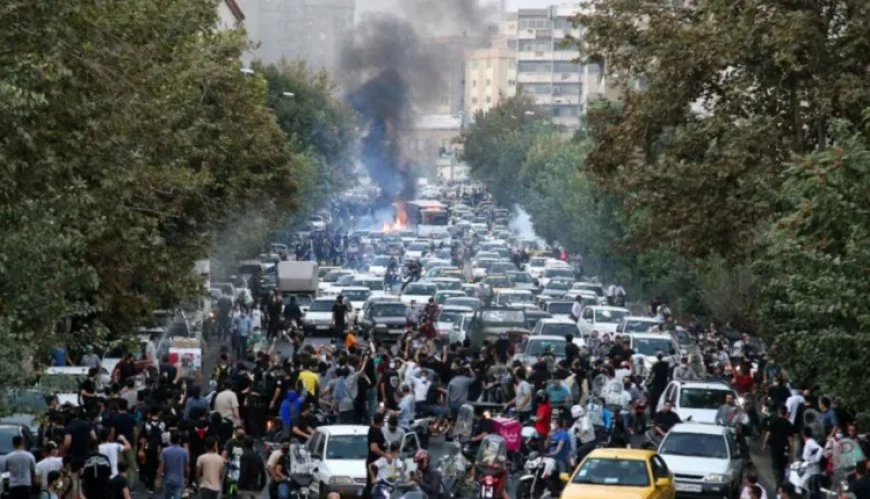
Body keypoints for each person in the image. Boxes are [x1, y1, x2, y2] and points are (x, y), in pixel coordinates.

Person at [762, 405, 794, 486]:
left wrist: (764, 444)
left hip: (774, 447)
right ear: (786, 413)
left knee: (776, 464)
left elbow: (768, 434)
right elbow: (790, 440)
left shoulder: (773, 422)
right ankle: (781, 479)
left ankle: (778, 481)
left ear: (779, 412)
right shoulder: (788, 424)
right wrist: (791, 451)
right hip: (785, 448)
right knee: (783, 464)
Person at [364, 413, 389, 498]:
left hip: (377, 461)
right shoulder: (375, 431)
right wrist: (385, 455)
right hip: (374, 461)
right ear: (381, 421)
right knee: (372, 484)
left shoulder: (374, 429)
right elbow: (374, 448)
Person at [158, 432, 188, 499]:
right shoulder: (184, 452)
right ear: (179, 440)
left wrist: (158, 478)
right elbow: (186, 468)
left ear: (170, 440)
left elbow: (161, 467)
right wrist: (187, 478)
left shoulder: (165, 451)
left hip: (168, 479)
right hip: (179, 480)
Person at [800, 427, 823, 499]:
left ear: (803, 434)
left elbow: (820, 449)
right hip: (810, 472)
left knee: (814, 493)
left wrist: (815, 460)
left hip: (813, 472)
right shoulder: (809, 442)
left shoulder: (810, 442)